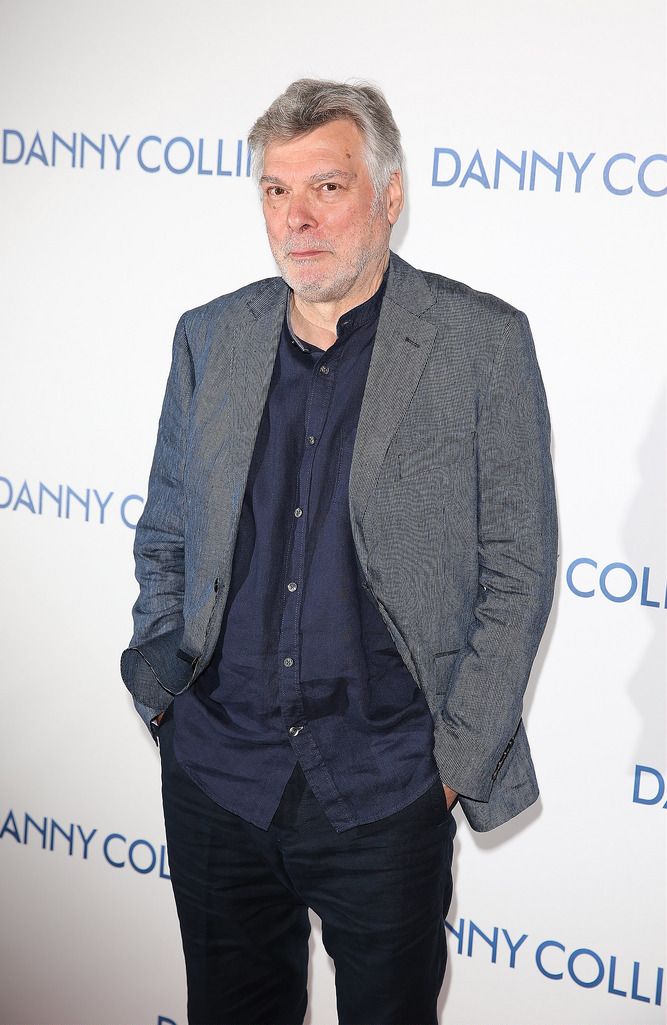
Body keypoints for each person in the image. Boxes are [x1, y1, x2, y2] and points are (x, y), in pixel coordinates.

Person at [121, 78, 558, 1025]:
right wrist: (166, 700)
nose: (296, 218)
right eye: (276, 192)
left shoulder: (481, 344)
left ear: (389, 198)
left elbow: (518, 566)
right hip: (216, 773)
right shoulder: (210, 338)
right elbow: (165, 530)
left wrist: (448, 763)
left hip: (384, 786)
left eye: (327, 186)